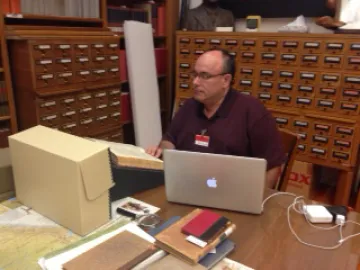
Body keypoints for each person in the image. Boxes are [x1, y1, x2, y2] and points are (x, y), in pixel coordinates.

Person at [146, 49, 286, 188]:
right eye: (194, 74)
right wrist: (159, 153)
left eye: (204, 76)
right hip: (189, 185)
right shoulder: (189, 106)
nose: (195, 82)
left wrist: (257, 201)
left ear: (226, 80)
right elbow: (169, 140)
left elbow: (272, 166)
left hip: (231, 192)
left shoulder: (253, 111)